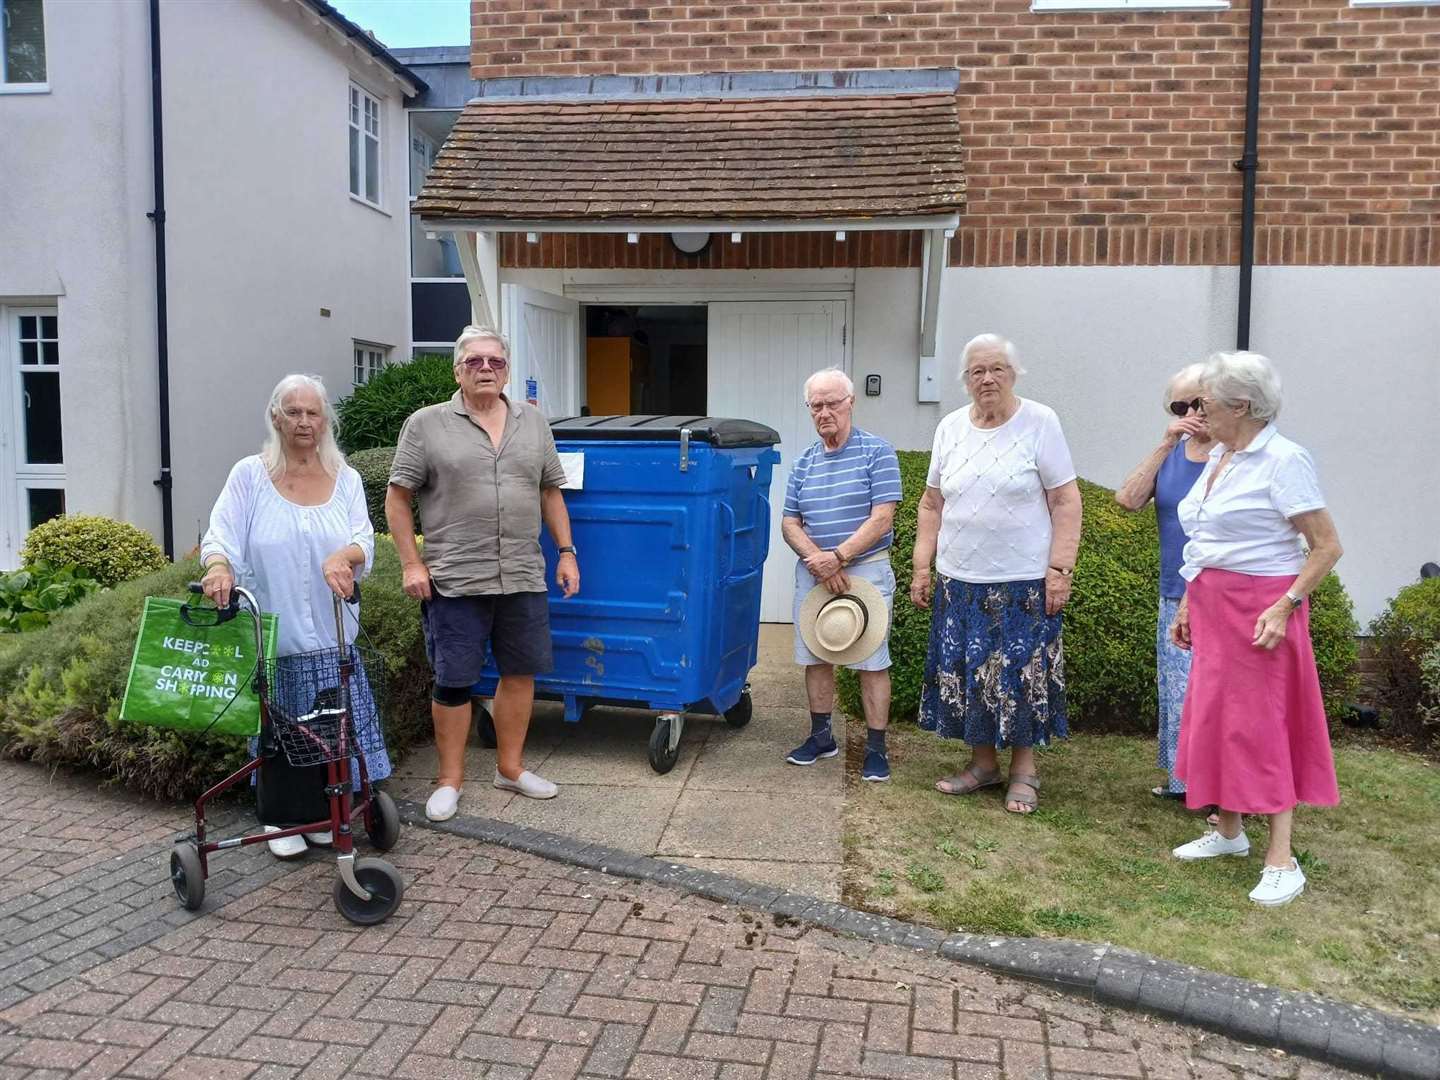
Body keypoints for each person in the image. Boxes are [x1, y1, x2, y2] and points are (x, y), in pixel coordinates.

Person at [1169, 351, 1342, 907]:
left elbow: (1326, 546)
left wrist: (1286, 605)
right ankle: (1229, 833)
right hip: (1215, 603)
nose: (1199, 411)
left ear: (1241, 405)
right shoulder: (1222, 453)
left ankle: (1282, 859)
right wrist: (1189, 604)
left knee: (1261, 726)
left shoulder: (1284, 459)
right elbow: (1205, 539)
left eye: (1206, 401)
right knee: (1219, 719)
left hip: (1262, 610)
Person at [386, 325, 579, 823]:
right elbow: (398, 497)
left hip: (521, 573)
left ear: (507, 369)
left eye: (495, 361)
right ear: (458, 370)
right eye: (475, 362)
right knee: (454, 680)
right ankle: (449, 780)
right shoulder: (425, 424)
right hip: (455, 576)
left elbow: (550, 491)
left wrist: (566, 551)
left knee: (519, 674)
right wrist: (411, 562)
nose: (486, 369)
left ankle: (510, 769)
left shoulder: (532, 423)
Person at [199, 373, 389, 859]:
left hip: (331, 633)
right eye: (294, 412)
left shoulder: (344, 477)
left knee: (329, 726)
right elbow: (221, 534)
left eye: (313, 412)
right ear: (276, 418)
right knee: (281, 728)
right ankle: (281, 816)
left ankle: (321, 811)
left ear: (325, 420)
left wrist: (342, 556)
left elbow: (363, 540)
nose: (304, 421)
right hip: (274, 633)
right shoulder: (250, 475)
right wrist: (218, 566)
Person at [910, 334, 1082, 814]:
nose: (987, 379)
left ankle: (1025, 771)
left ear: (1014, 374)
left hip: (1023, 581)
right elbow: (932, 503)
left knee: (1021, 675)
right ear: (965, 380)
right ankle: (983, 765)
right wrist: (922, 566)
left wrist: (1059, 568)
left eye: (997, 369)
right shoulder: (950, 428)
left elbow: (1066, 500)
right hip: (959, 580)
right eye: (977, 371)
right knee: (970, 674)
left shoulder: (1040, 422)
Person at [781, 368, 903, 781]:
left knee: (871, 660)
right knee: (815, 656)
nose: (825, 412)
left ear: (851, 402)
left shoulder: (877, 452)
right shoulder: (803, 462)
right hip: (815, 572)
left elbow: (883, 518)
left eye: (832, 402)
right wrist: (819, 559)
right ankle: (820, 738)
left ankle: (876, 749)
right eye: (816, 405)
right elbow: (789, 523)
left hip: (864, 570)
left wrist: (840, 557)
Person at [1115, 363, 1217, 809]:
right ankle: (1185, 779)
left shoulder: (1233, 456)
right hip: (1174, 589)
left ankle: (1222, 788)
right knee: (1178, 690)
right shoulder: (1173, 454)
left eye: (1200, 402)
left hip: (1222, 590)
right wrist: (1166, 442)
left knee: (1216, 693)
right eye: (1181, 405)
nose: (1192, 411)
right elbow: (1129, 499)